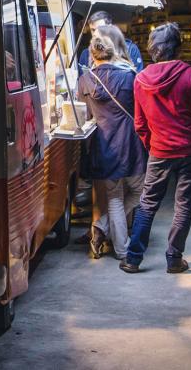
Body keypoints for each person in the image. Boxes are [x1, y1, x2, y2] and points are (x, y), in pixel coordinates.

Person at [119, 22, 191, 274]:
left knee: (148, 204)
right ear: (177, 48)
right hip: (190, 150)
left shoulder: (141, 79)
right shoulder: (190, 74)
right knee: (184, 205)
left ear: (152, 50)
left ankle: (133, 259)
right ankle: (174, 259)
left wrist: (154, 145)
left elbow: (140, 124)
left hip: (159, 151)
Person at [78, 34, 147, 259]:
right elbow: (141, 109)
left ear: (92, 55)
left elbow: (84, 114)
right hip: (130, 142)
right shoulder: (130, 77)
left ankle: (116, 243)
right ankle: (115, 240)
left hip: (104, 144)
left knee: (114, 196)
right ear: (113, 52)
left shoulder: (85, 80)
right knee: (142, 191)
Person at [78, 10, 143, 74]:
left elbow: (138, 80)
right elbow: (82, 80)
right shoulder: (86, 54)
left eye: (100, 28)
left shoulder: (130, 49)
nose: (96, 33)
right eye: (93, 30)